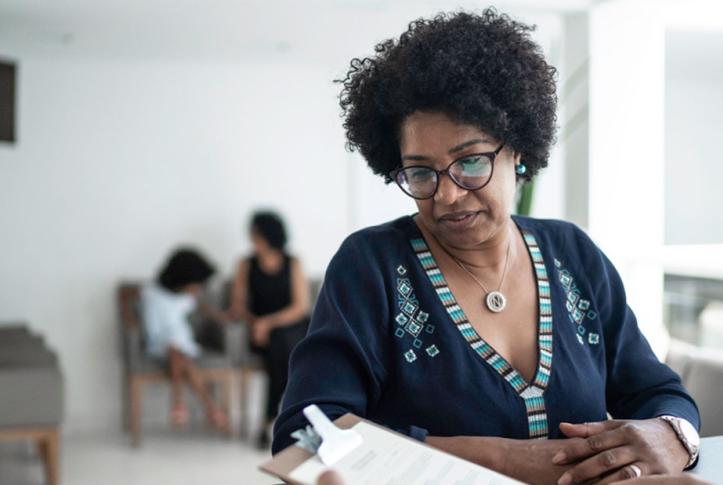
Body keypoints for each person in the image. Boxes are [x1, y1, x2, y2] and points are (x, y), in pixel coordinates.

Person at [272, 9, 701, 485]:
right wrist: (505, 459)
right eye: (420, 172)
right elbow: (304, 436)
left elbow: (657, 390)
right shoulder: (371, 266)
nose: (448, 194)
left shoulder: (573, 254)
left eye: (470, 161)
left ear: (517, 151)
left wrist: (672, 433)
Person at [229, 211, 310, 448]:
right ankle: (291, 420)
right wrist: (257, 324)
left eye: (256, 235)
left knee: (283, 346)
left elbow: (300, 307)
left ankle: (266, 422)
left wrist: (268, 322)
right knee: (282, 350)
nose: (252, 240)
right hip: (260, 333)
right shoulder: (245, 264)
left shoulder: (292, 262)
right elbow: (238, 305)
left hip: (291, 328)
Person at [141, 248, 230, 432]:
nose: (196, 288)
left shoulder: (188, 297)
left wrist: (222, 317)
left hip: (181, 343)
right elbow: (152, 326)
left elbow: (205, 311)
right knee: (177, 354)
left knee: (179, 355)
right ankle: (211, 408)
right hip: (159, 343)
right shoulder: (151, 294)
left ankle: (178, 403)